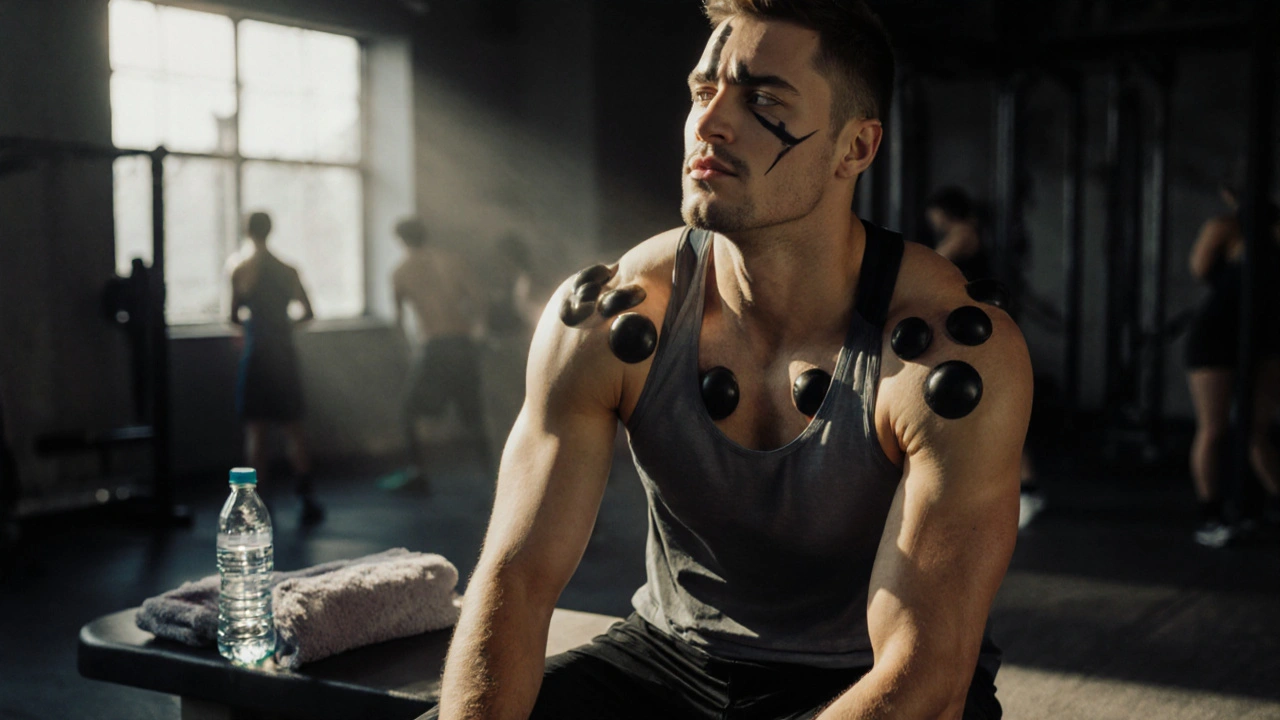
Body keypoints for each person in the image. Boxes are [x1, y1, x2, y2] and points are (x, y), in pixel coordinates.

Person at [430, 2, 1032, 719]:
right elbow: (517, 579)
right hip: (667, 658)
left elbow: (928, 668)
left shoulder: (949, 358)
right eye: (703, 91)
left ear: (855, 149)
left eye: (763, 99)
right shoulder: (614, 317)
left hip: (865, 681)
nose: (708, 123)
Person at [926, 186, 1044, 531]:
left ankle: (1027, 488)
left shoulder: (963, 234)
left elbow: (931, 266)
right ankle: (1014, 488)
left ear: (943, 212)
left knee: (993, 410)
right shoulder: (976, 232)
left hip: (978, 334)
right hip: (972, 332)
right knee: (984, 411)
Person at [1183, 185, 1280, 548]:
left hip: (1267, 338)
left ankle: (1267, 503)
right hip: (1218, 334)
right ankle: (1210, 514)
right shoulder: (1224, 228)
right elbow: (1201, 271)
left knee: (1257, 429)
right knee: (1214, 428)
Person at [229, 211, 322, 525]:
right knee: (294, 427)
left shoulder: (240, 269)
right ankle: (306, 496)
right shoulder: (287, 269)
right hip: (282, 354)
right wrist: (281, 327)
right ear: (270, 230)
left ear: (247, 231)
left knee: (256, 430)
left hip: (256, 354)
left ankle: (256, 503)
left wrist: (258, 329)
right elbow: (308, 313)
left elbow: (232, 317)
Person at [392, 218, 490, 489]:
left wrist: (410, 351)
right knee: (473, 415)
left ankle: (417, 472)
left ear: (401, 241)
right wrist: (479, 331)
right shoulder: (452, 262)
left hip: (434, 346)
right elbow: (479, 298)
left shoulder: (401, 271)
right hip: (461, 342)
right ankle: (493, 475)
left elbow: (399, 320)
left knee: (407, 411)